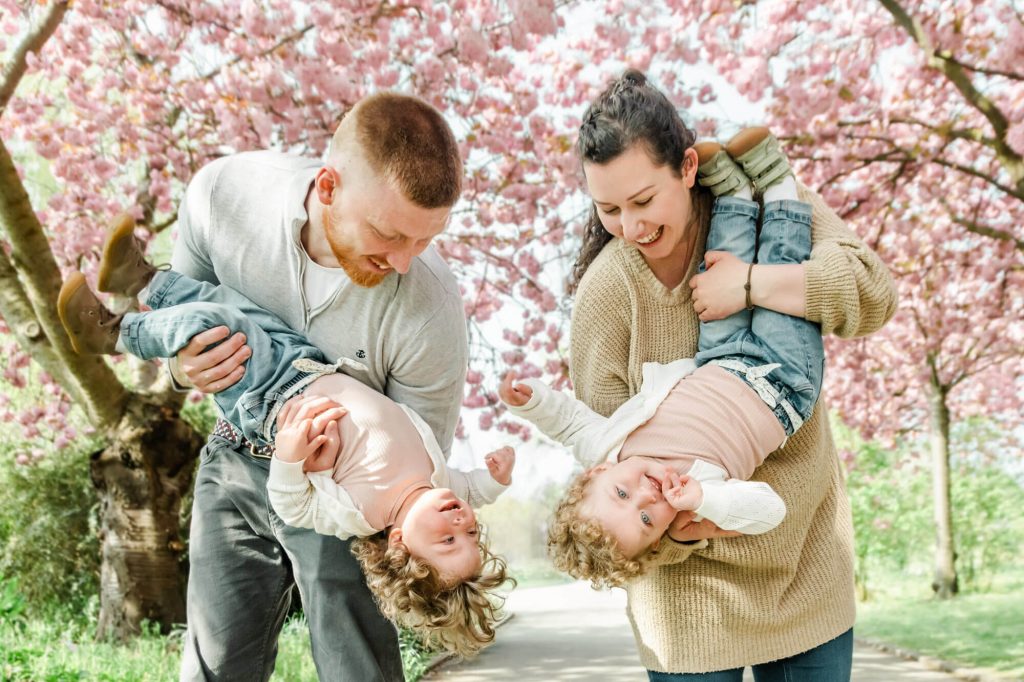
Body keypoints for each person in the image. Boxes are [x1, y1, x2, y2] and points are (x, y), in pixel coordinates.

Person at [567, 70, 897, 681]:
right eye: (609, 209)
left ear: (688, 167)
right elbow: (611, 469)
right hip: (686, 600)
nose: (631, 227)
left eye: (643, 200)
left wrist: (748, 284)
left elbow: (872, 292)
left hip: (804, 566)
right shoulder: (607, 296)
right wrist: (678, 531)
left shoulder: (771, 207)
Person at [56, 226, 515, 656]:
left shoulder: (361, 513)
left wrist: (291, 456)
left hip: (270, 400)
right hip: (304, 363)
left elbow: (293, 506)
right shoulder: (436, 477)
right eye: (471, 533)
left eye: (448, 540)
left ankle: (113, 333)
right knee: (230, 303)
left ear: (400, 544)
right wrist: (494, 481)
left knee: (214, 325)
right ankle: (142, 279)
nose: (461, 521)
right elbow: (470, 488)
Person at [135, 92, 468, 681]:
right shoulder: (222, 197)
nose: (403, 263)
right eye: (388, 235)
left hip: (348, 496)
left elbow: (419, 467)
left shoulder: (430, 308)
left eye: (424, 240)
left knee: (355, 666)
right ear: (329, 187)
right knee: (213, 664)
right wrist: (183, 370)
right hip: (236, 449)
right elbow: (178, 316)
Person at [500, 128, 823, 587]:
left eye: (621, 493)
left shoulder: (608, 444)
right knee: (779, 270)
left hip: (718, 359)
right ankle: (777, 183)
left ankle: (733, 195)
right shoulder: (698, 495)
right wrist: (704, 500)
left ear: (598, 472)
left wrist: (530, 402)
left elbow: (569, 423)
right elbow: (769, 510)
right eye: (647, 520)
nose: (646, 497)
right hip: (781, 381)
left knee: (717, 277)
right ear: (658, 539)